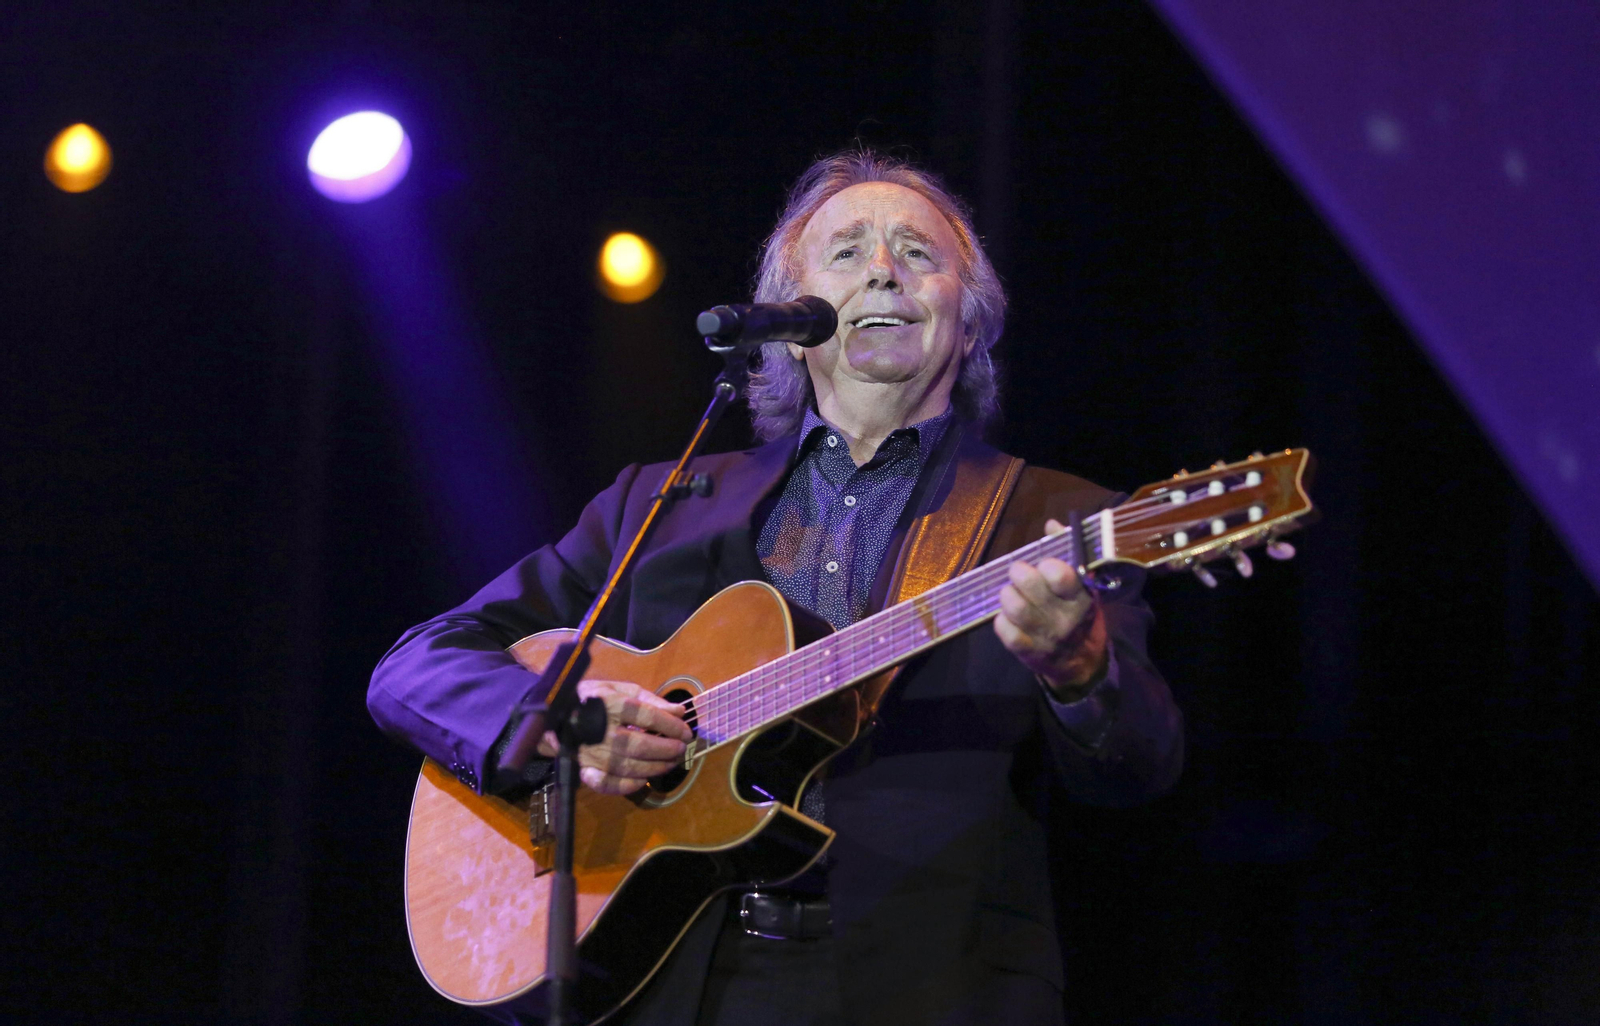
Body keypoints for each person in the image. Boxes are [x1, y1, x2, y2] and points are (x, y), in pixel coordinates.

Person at [368, 149, 1184, 1026]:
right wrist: (564, 730)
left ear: (971, 320)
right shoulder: (664, 501)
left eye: (918, 253)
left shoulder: (1057, 519)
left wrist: (1083, 669)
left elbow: (1138, 769)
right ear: (794, 323)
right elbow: (416, 664)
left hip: (936, 989)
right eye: (847, 253)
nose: (882, 269)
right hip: (667, 983)